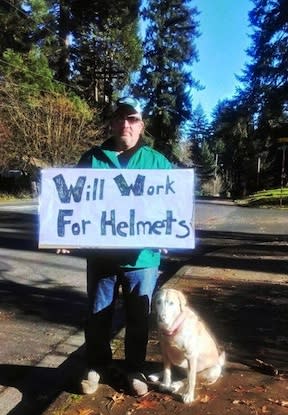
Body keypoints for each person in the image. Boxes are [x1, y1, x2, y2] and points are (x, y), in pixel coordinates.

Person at [76, 97, 172, 396]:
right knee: (97, 314)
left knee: (138, 317)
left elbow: (174, 204)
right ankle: (97, 366)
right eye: (120, 119)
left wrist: (171, 232)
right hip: (101, 255)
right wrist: (64, 235)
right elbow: (74, 204)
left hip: (143, 257)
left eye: (132, 119)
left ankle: (134, 368)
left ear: (141, 125)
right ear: (112, 123)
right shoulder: (92, 159)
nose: (125, 124)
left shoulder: (157, 162)